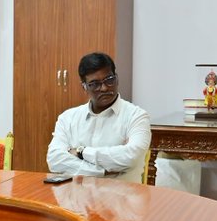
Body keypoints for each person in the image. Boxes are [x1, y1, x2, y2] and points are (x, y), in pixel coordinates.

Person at [46, 52, 151, 183]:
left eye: (109, 80)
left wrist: (82, 153)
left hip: (122, 199)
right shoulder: (67, 118)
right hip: (78, 200)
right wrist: (103, 171)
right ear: (84, 87)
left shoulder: (137, 116)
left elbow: (131, 157)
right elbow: (54, 160)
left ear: (117, 78)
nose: (104, 88)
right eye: (95, 84)